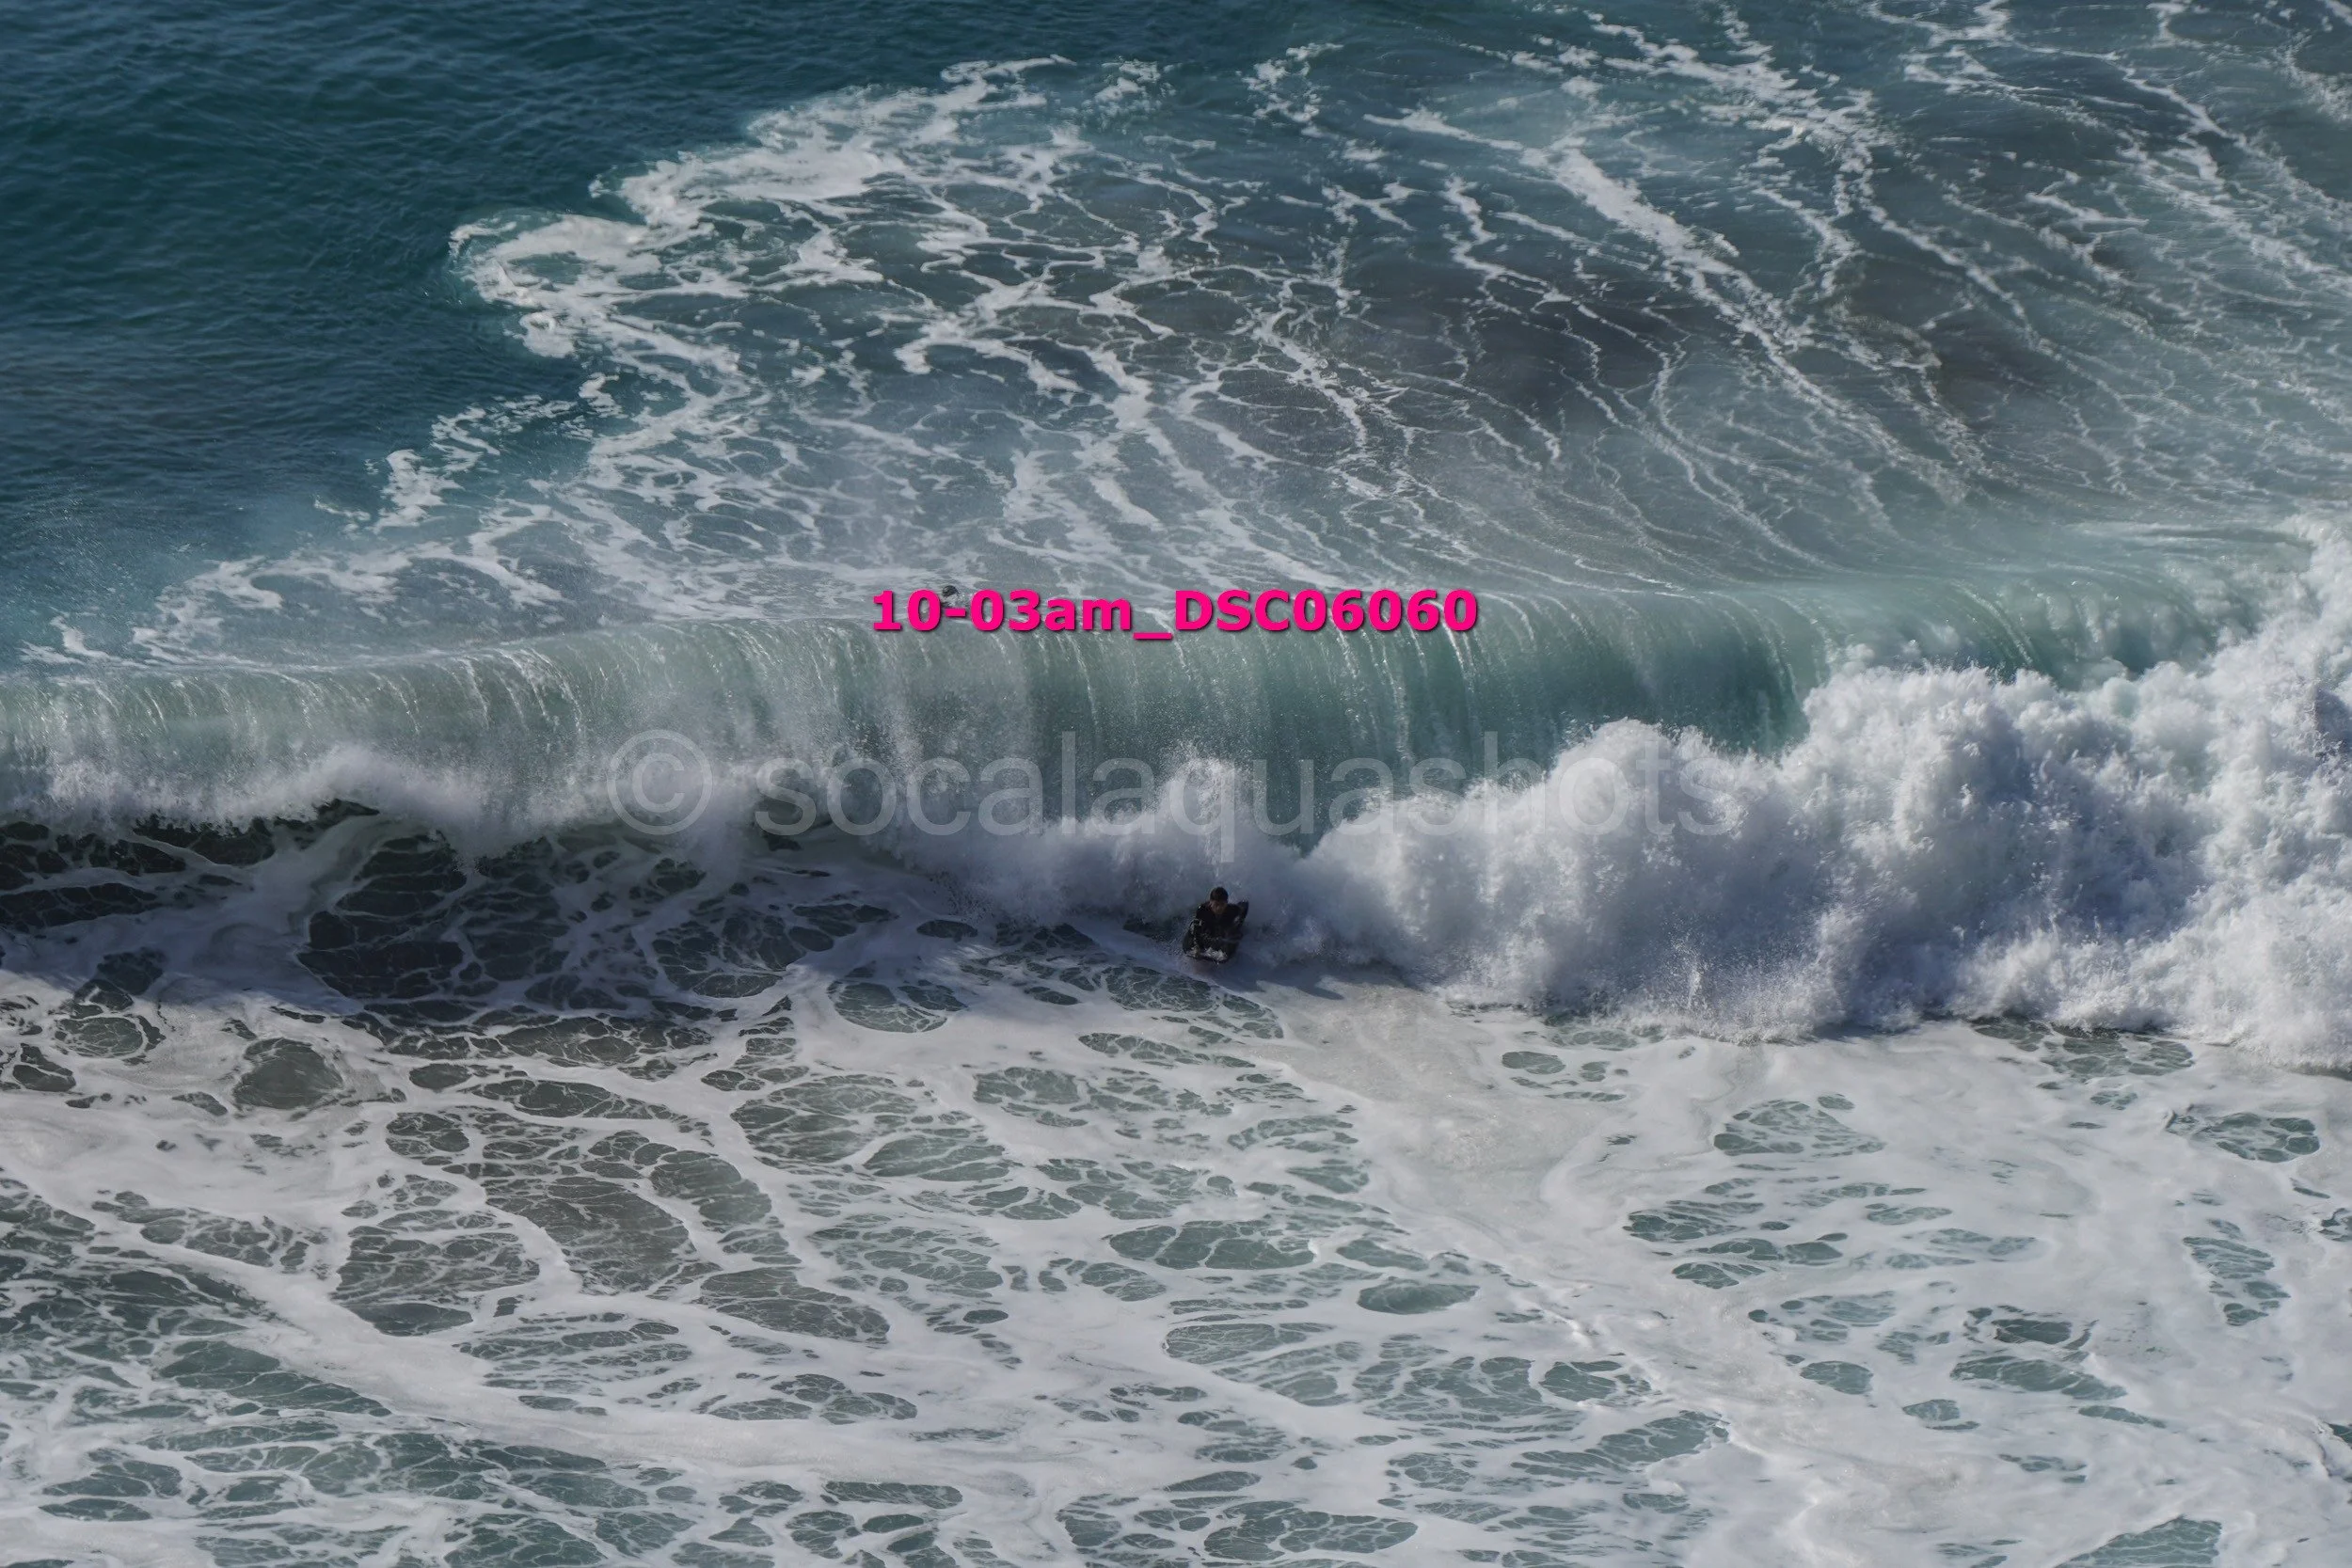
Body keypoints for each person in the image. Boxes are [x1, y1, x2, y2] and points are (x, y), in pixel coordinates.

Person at [1183, 886, 1248, 960]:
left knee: (1232, 930)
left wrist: (1239, 922)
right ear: (1210, 902)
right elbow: (1197, 931)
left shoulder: (1232, 910)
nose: (1219, 908)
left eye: (1222, 904)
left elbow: (1245, 905)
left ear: (1227, 902)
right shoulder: (1203, 910)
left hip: (1221, 924)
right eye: (1216, 904)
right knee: (1196, 928)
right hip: (1207, 926)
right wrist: (1198, 948)